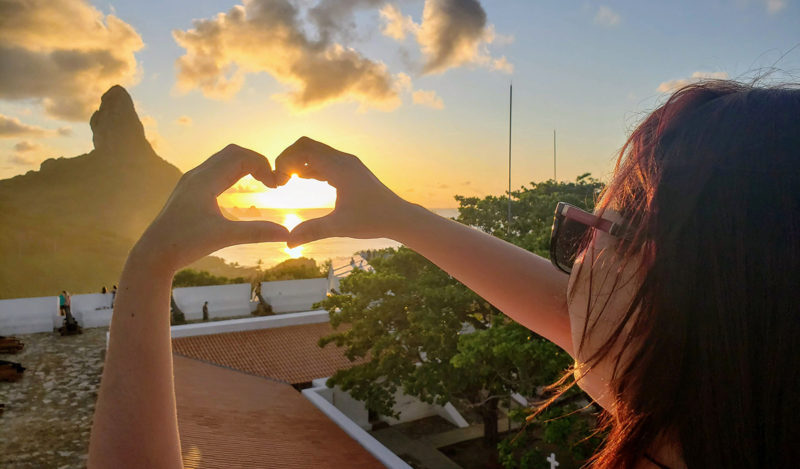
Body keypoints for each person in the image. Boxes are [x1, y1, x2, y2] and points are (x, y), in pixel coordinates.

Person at [88, 81, 800, 468]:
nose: (580, 251)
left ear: (673, 295)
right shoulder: (732, 404)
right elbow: (584, 314)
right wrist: (400, 215)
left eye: (602, 226)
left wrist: (149, 266)